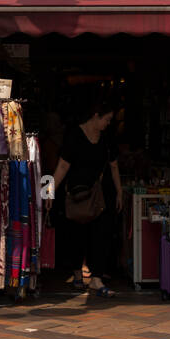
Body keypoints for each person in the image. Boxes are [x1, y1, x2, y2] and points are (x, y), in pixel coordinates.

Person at [52, 95, 122, 298]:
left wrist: (119, 192)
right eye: (106, 119)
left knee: (100, 234)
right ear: (95, 116)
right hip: (76, 194)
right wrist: (49, 191)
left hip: (99, 194)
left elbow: (114, 165)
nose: (108, 124)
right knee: (75, 234)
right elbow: (63, 166)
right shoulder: (74, 135)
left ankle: (96, 278)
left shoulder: (106, 138)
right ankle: (77, 273)